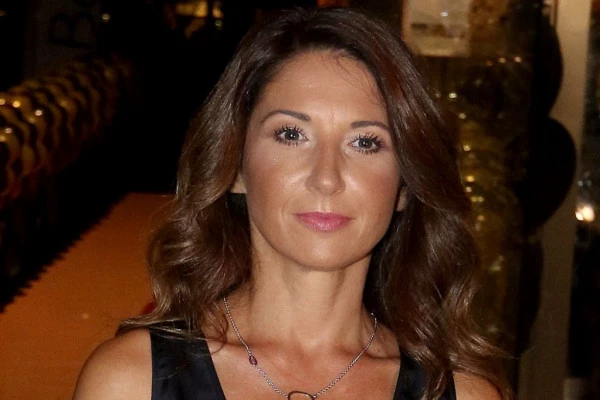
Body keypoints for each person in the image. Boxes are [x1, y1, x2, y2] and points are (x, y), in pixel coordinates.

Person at [73, 7, 511, 400]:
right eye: (291, 134)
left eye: (365, 142)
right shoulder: (130, 382)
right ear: (235, 167)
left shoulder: (463, 394)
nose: (327, 178)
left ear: (404, 186)